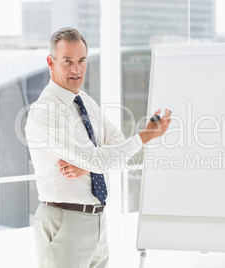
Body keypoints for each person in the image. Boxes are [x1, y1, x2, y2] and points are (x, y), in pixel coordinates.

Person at [25, 27, 171, 268]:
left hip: (97, 220)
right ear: (51, 62)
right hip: (65, 220)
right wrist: (142, 138)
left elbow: (115, 141)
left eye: (81, 60)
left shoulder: (85, 102)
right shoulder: (45, 111)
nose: (76, 69)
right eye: (68, 61)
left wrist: (88, 165)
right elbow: (101, 158)